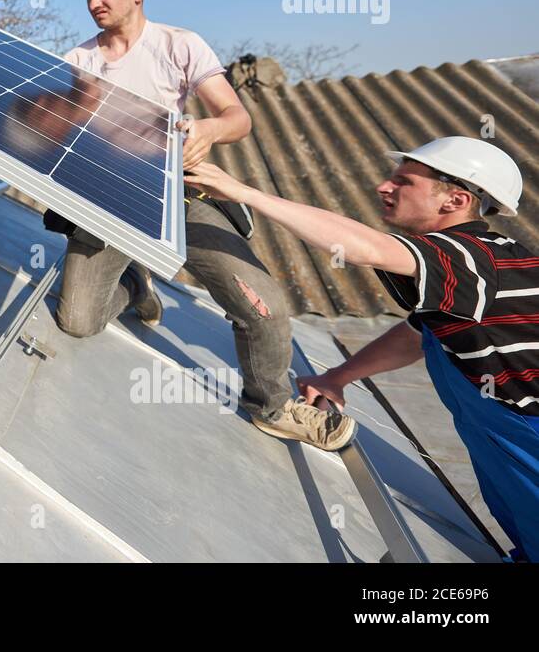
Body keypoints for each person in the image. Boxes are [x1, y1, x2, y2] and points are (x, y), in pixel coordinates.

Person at [45, 0, 355, 451]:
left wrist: (209, 131)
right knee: (77, 321)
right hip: (110, 199)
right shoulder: (78, 60)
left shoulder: (179, 45)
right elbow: (62, 130)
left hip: (178, 194)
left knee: (266, 308)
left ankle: (273, 405)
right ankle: (137, 284)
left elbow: (239, 119)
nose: (94, 3)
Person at [186, 137, 537, 561]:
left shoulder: (468, 260)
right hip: (506, 449)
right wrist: (337, 377)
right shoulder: (478, 266)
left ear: (456, 200)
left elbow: (365, 247)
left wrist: (244, 194)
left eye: (404, 182)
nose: (383, 188)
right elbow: (419, 334)